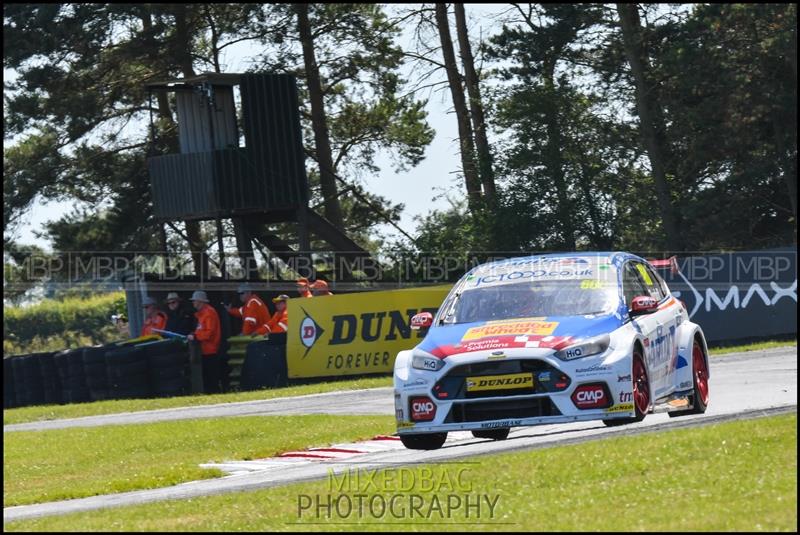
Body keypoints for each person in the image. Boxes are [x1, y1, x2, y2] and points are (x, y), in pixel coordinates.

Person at [187, 290, 223, 393]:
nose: (193, 303)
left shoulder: (209, 313)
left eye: (194, 301)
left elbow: (208, 333)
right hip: (204, 350)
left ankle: (214, 394)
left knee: (211, 379)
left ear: (200, 301)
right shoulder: (203, 314)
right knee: (207, 378)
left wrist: (195, 336)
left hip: (210, 350)